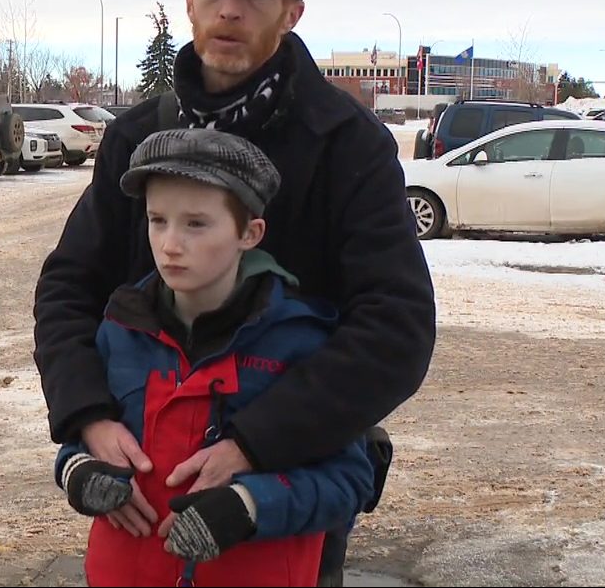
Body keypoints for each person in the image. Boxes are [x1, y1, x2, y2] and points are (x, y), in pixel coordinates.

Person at [34, 0, 436, 585]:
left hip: (289, 489)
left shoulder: (346, 144)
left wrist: (255, 442)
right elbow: (69, 288)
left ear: (292, 11)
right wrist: (89, 418)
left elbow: (396, 328)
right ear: (189, 1)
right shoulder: (136, 139)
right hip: (144, 506)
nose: (229, 9)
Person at [55, 128, 376, 586]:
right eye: (157, 220)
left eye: (196, 224)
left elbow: (349, 479)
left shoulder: (302, 342)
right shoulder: (120, 328)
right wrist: (79, 472)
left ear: (250, 233)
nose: (170, 244)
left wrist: (249, 507)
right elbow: (88, 440)